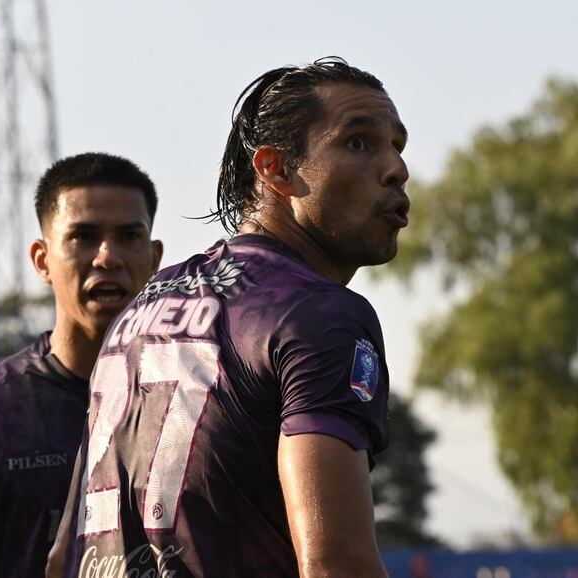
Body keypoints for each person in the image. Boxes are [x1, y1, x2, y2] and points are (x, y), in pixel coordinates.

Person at [51, 57, 409, 578]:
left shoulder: (140, 309)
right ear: (276, 169)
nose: (396, 167)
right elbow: (337, 564)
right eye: (358, 142)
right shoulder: (317, 313)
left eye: (398, 145)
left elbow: (65, 555)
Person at [0, 152, 164, 578]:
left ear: (155, 258)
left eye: (128, 236)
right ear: (42, 259)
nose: (107, 257)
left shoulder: (200, 393)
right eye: (83, 237)